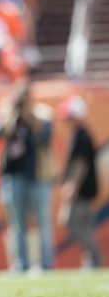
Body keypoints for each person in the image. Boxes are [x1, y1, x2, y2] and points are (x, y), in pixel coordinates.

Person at [0, 81, 56, 271]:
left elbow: (44, 138)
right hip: (13, 175)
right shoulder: (8, 113)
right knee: (16, 223)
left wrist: (28, 116)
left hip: (38, 176)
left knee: (43, 221)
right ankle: (20, 263)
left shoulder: (43, 113)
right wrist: (10, 115)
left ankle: (46, 264)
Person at [57, 95, 102, 268]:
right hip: (83, 189)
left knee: (70, 221)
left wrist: (72, 185)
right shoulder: (78, 134)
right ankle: (91, 257)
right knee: (82, 224)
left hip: (82, 190)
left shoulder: (82, 136)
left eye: (69, 118)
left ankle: (94, 256)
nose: (67, 122)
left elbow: (80, 164)